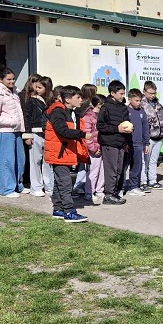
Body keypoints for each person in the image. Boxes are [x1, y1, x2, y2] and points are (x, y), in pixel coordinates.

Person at [44, 85, 91, 223]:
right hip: (59, 153)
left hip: (66, 152)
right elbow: (63, 131)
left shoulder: (72, 112)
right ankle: (69, 211)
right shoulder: (58, 112)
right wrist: (82, 134)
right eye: (78, 97)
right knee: (65, 183)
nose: (81, 100)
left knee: (60, 182)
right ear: (68, 99)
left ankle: (58, 209)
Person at [0, 67, 26, 197]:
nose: (12, 81)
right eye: (9, 79)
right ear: (0, 79)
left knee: (20, 159)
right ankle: (7, 189)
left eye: (13, 79)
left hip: (16, 130)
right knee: (7, 161)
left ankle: (18, 185)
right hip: (5, 131)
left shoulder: (14, 91)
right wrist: (12, 121)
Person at [97, 80, 132, 205]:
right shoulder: (106, 107)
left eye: (124, 93)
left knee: (119, 170)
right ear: (112, 93)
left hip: (121, 143)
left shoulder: (123, 107)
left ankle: (115, 192)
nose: (123, 96)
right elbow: (100, 126)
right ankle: (108, 195)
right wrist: (116, 129)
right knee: (111, 170)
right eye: (121, 93)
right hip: (109, 143)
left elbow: (126, 123)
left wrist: (128, 137)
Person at [22, 74, 54, 197]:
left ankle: (49, 186)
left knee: (48, 161)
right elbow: (27, 117)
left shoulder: (52, 101)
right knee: (35, 161)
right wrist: (28, 135)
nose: (37, 89)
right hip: (35, 133)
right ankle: (36, 187)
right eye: (36, 87)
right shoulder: (32, 100)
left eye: (40, 87)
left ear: (47, 88)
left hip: (49, 134)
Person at [140, 81, 163, 190]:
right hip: (148, 138)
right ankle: (143, 181)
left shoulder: (158, 105)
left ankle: (152, 180)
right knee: (145, 161)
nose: (152, 95)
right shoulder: (142, 105)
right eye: (150, 93)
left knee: (153, 161)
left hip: (159, 137)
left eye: (154, 93)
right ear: (144, 92)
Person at [72, 83, 97, 197]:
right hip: (86, 135)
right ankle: (79, 186)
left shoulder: (80, 105)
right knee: (85, 163)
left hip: (80, 134)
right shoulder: (88, 107)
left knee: (83, 162)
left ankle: (79, 185)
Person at [124, 89, 150, 196]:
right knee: (124, 166)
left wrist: (146, 143)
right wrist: (125, 143)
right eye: (136, 100)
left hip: (139, 144)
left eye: (140, 101)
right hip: (127, 144)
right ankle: (120, 187)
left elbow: (145, 128)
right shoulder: (125, 110)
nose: (138, 103)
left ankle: (134, 187)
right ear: (130, 99)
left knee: (136, 166)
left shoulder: (142, 111)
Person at [83, 94, 105, 205]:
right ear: (99, 104)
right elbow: (87, 135)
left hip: (103, 146)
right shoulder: (88, 117)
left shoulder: (102, 116)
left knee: (102, 171)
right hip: (94, 148)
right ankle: (89, 192)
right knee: (93, 171)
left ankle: (99, 190)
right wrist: (94, 148)